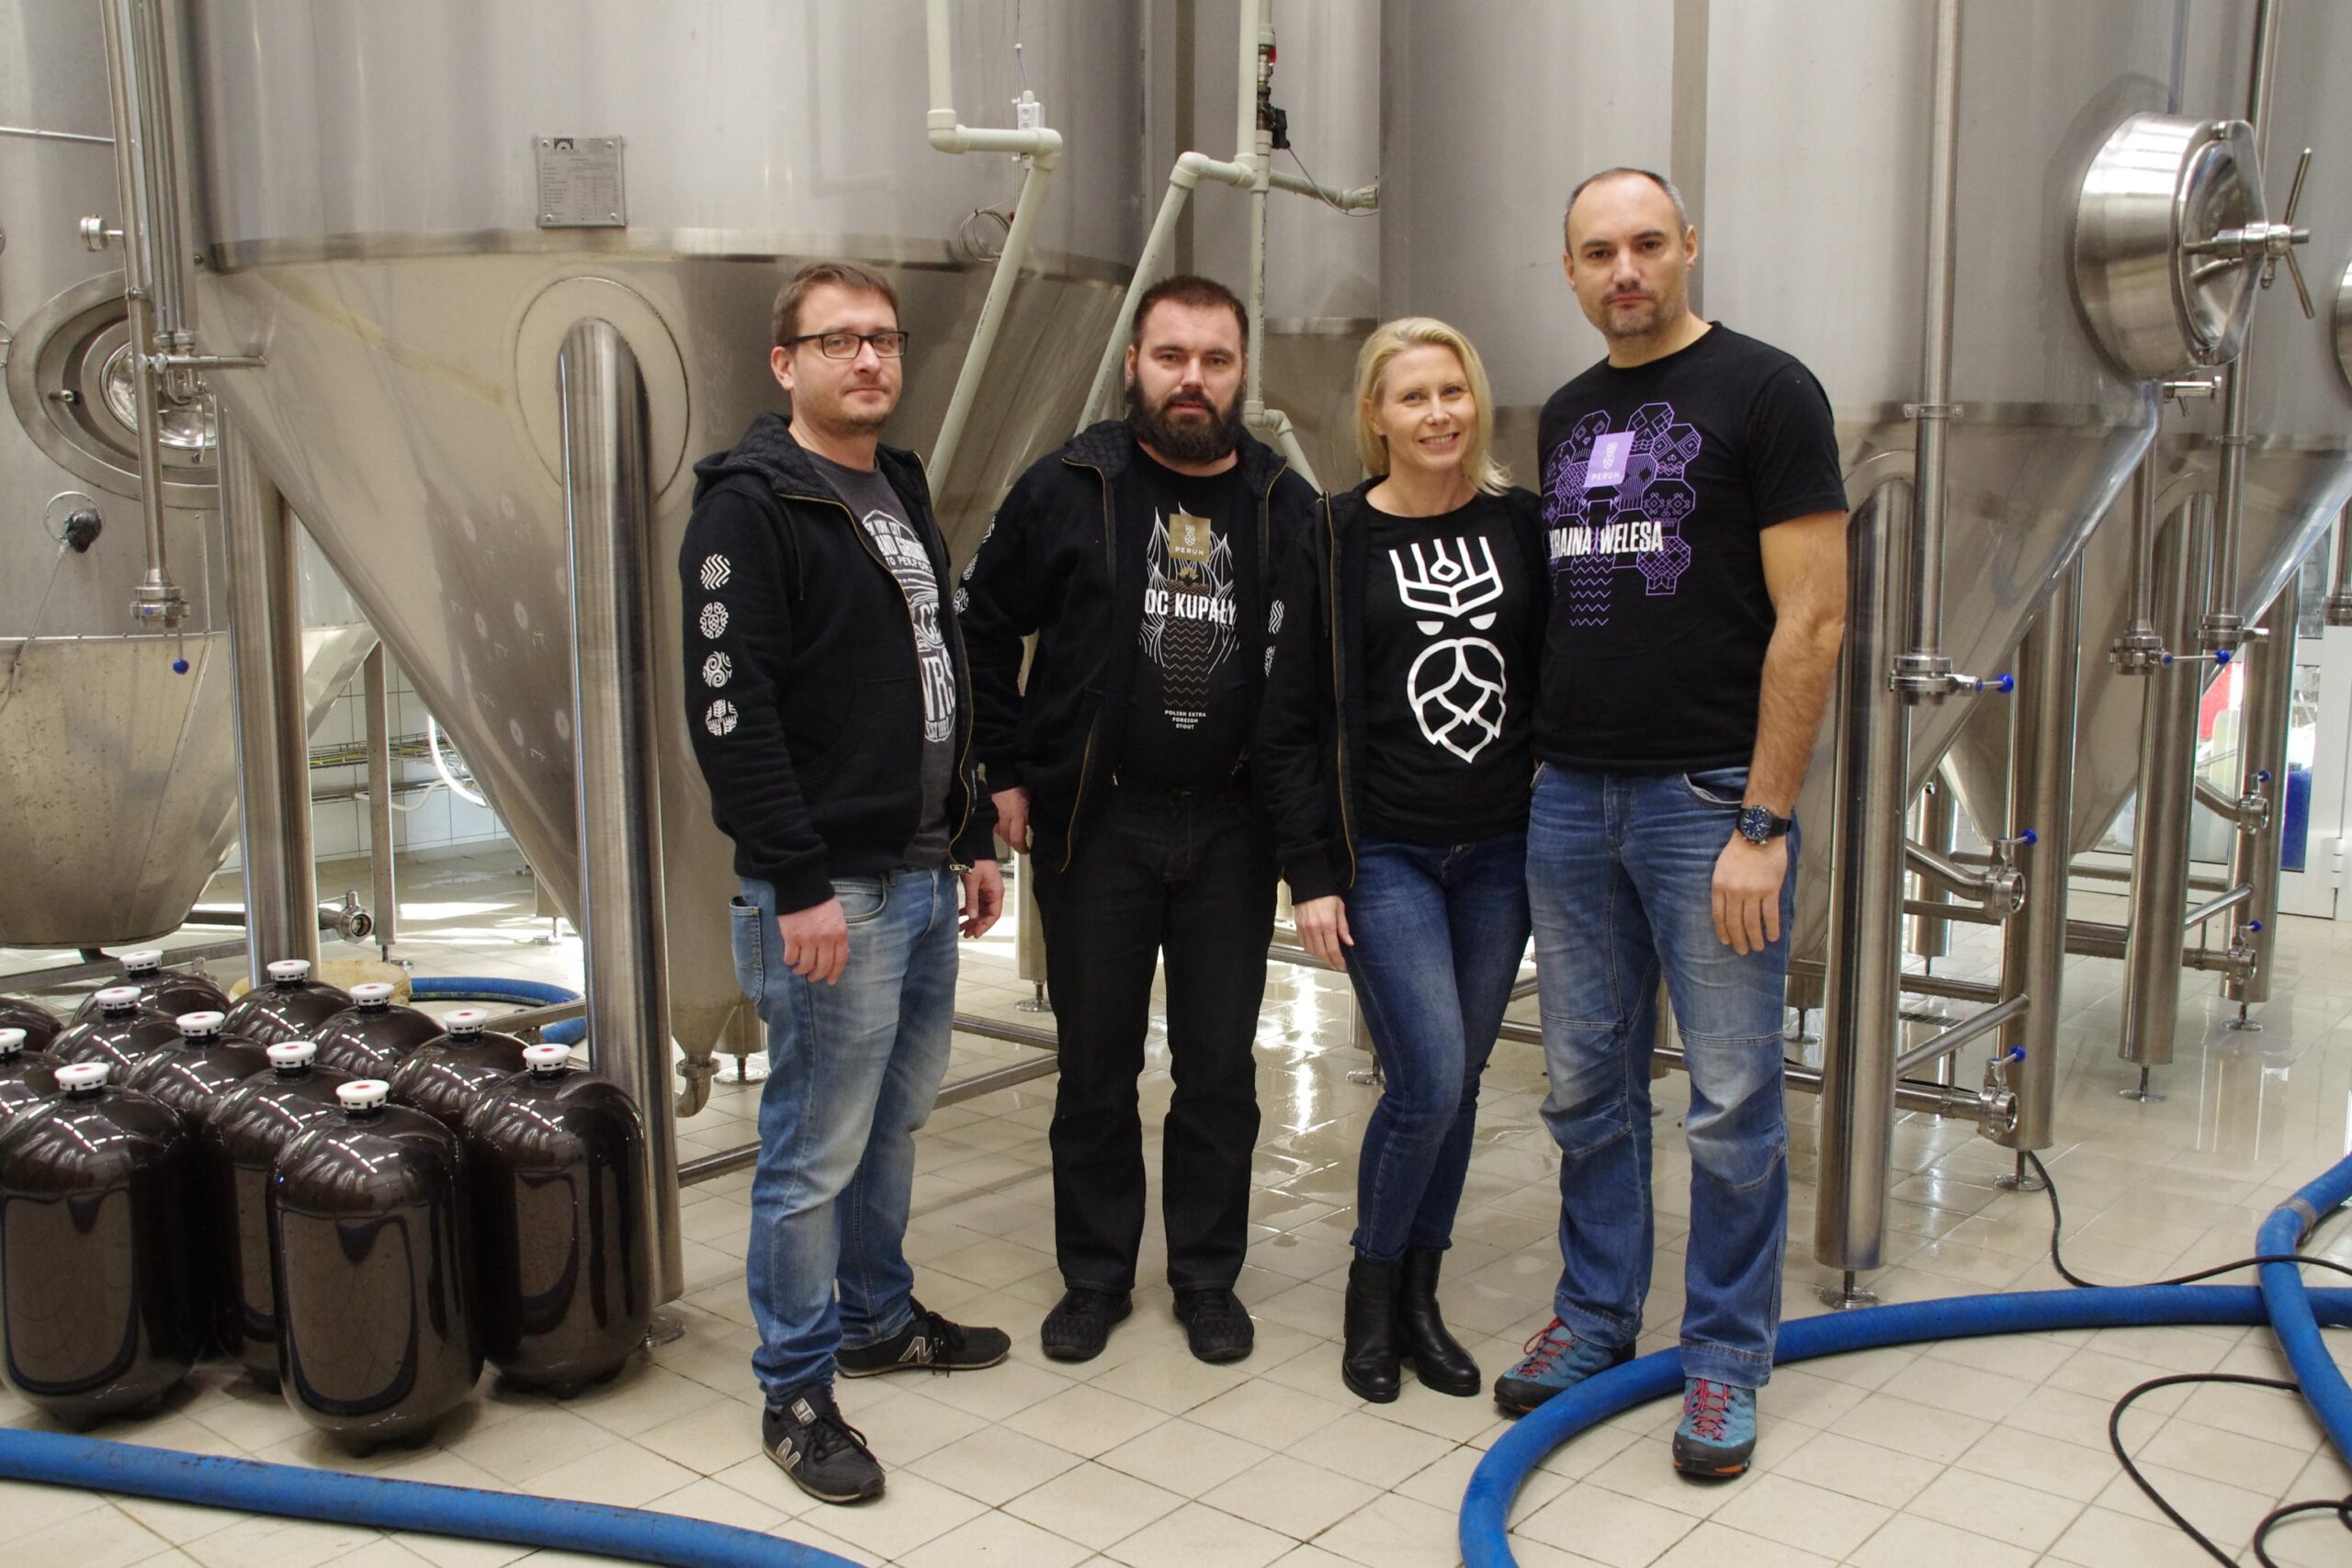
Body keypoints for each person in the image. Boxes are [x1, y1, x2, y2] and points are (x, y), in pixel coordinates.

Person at [1495, 169, 1848, 1478]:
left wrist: (1764, 818)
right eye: (1599, 252)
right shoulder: (1568, 412)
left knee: (1733, 1097)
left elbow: (1814, 617)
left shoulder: (1768, 392)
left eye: (1647, 244)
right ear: (1570, 269)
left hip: (1707, 801)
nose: (1626, 270)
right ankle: (1596, 1315)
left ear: (1689, 246)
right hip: (1569, 798)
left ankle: (1724, 1358)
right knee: (1585, 1083)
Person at [679, 259, 1009, 1506]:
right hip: (831, 891)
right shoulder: (749, 510)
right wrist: (795, 878)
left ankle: (875, 1316)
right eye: (836, 341)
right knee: (812, 1149)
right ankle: (797, 1389)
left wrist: (968, 832)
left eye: (882, 338)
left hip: (917, 874)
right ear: (785, 363)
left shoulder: (896, 486)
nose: (867, 359)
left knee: (894, 1119)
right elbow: (732, 716)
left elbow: (937, 668)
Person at [959, 275, 1317, 1366]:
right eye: (1171, 357)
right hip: (1095, 825)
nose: (1192, 380)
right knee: (1095, 1068)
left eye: (1215, 359)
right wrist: (999, 772)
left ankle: (1206, 1277)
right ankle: (1095, 1277)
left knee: (1218, 1071)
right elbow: (981, 629)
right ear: (1133, 365)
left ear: (1242, 372)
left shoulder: (1283, 504)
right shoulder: (1070, 487)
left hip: (1231, 831)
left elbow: (1318, 676)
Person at [1257, 318, 1546, 1404]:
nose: (1437, 414)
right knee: (1425, 1076)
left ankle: (1421, 1298)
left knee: (1457, 1082)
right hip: (1385, 853)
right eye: (1413, 397)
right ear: (1374, 415)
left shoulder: (1520, 525)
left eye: (1452, 392)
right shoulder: (1332, 535)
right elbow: (1288, 720)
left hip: (1500, 853)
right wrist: (1311, 874)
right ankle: (1370, 1291)